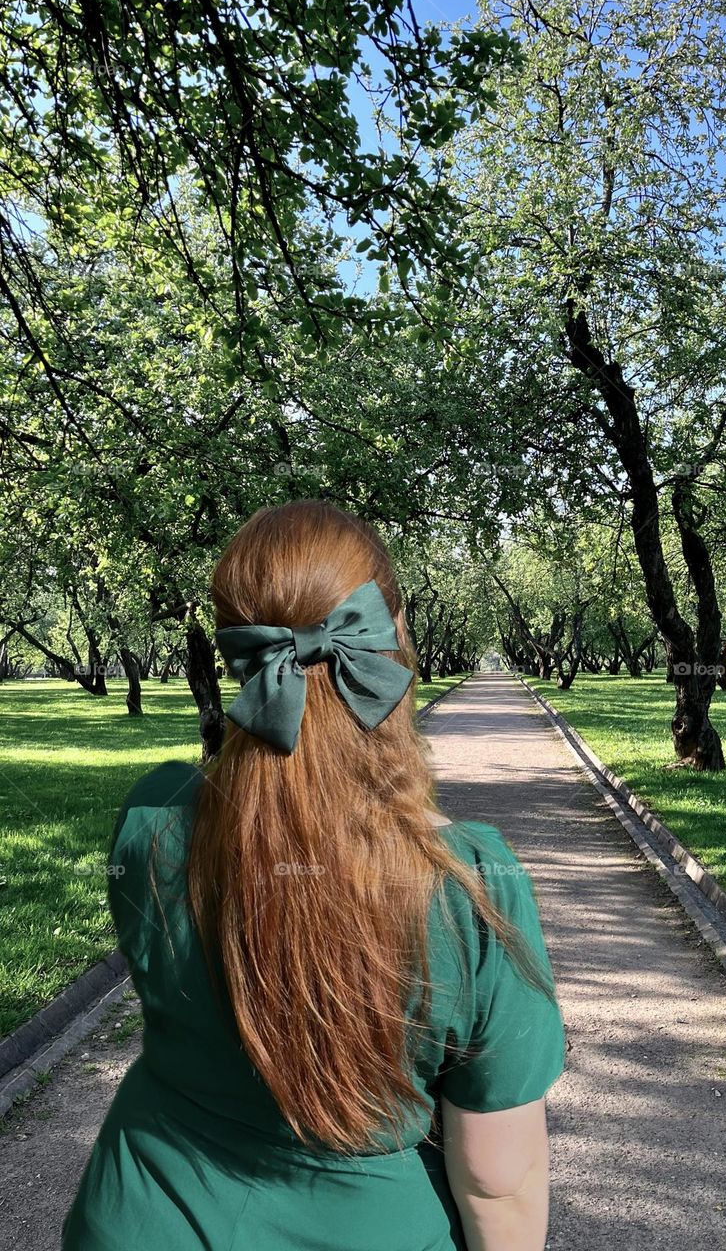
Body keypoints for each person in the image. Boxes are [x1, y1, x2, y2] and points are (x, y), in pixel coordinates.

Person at [62, 499, 566, 1251]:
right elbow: (499, 1180)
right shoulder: (471, 888)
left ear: (235, 653)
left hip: (138, 1220)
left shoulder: (152, 821)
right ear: (393, 636)